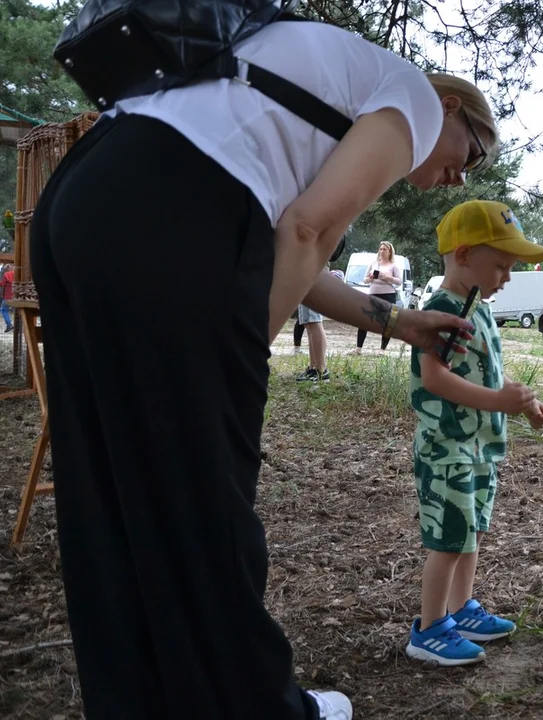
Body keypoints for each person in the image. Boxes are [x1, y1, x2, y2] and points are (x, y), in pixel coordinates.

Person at [29, 17, 497, 720]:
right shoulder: (414, 97)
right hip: (169, 205)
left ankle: (135, 701)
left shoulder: (298, 97)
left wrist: (398, 324)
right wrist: (245, 364)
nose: (462, 173)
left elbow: (296, 248)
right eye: (474, 151)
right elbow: (309, 231)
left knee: (108, 485)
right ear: (453, 109)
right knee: (208, 499)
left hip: (87, 195)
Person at [406, 200, 543, 667]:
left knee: (469, 534)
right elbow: (433, 378)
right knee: (447, 540)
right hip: (447, 446)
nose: (506, 278)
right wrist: (497, 402)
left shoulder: (480, 309)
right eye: (502, 267)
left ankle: (461, 611)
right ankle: (429, 630)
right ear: (465, 255)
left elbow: (486, 377)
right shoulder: (442, 310)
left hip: (478, 448)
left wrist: (523, 403)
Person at [354, 241, 402, 352]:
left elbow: (399, 282)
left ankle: (382, 349)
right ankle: (358, 348)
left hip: (388, 295)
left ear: (390, 252)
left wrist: (386, 277)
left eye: (385, 249)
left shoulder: (394, 265)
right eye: (380, 249)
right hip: (373, 294)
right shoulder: (374, 263)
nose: (382, 251)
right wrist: (370, 278)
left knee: (388, 323)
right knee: (364, 320)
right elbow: (365, 279)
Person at [0, 263, 13, 332]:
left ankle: (9, 324)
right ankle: (19, 327)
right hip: (16, 296)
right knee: (18, 312)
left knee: (3, 310)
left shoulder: (6, 275)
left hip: (7, 296)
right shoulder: (17, 274)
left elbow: (2, 284)